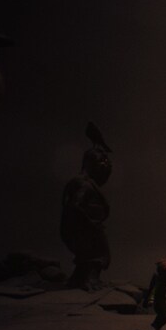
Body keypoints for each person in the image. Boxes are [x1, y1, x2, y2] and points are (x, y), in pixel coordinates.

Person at [60, 125, 112, 291]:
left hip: (86, 229)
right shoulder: (84, 184)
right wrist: (90, 222)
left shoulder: (86, 184)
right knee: (99, 255)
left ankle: (80, 279)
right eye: (101, 162)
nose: (105, 165)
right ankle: (89, 281)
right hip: (85, 230)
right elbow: (73, 205)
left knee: (92, 256)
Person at [143, 259, 166, 330]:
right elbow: (153, 291)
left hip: (161, 301)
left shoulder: (162, 283)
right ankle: (155, 326)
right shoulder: (159, 283)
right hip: (158, 301)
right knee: (165, 314)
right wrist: (150, 300)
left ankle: (156, 327)